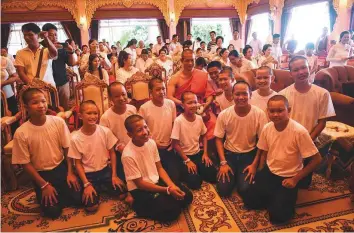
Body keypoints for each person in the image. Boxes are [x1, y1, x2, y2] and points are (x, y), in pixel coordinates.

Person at [243, 95, 322, 224]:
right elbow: (263, 150)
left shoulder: (299, 131)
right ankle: (275, 196)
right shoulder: (267, 128)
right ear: (267, 111)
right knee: (249, 201)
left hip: (289, 176)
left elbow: (317, 159)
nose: (275, 115)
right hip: (270, 171)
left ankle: (281, 199)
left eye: (280, 110)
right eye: (272, 111)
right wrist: (261, 171)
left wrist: (295, 179)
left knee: (279, 217)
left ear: (288, 110)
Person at [12, 88, 81, 219]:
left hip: (61, 168)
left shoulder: (58, 122)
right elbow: (25, 163)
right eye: (35, 102)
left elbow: (67, 149)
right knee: (52, 212)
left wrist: (70, 172)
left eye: (43, 101)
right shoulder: (21, 132)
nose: (41, 105)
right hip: (41, 174)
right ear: (26, 106)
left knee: (82, 200)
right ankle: (51, 194)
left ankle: (61, 193)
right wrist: (43, 185)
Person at [121, 114, 193, 222]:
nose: (145, 132)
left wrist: (172, 186)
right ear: (130, 135)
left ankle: (162, 199)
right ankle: (135, 203)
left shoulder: (151, 143)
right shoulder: (127, 155)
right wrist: (168, 190)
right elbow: (140, 184)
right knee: (172, 212)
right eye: (139, 130)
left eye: (145, 127)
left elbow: (159, 168)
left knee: (187, 197)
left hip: (156, 181)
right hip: (140, 189)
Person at [279, 56, 335, 187]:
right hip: (288, 141)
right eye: (296, 70)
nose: (301, 72)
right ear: (291, 74)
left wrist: (307, 141)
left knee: (303, 184)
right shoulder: (284, 94)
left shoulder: (322, 93)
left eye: (304, 67)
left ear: (309, 68)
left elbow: (322, 122)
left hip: (310, 141)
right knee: (284, 180)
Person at [69, 100, 126, 212]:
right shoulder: (74, 138)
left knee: (123, 193)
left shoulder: (105, 131)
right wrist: (86, 184)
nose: (93, 116)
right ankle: (96, 188)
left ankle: (102, 187)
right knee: (91, 207)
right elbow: (78, 163)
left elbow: (112, 153)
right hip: (88, 175)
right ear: (80, 116)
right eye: (89, 113)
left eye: (95, 113)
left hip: (105, 171)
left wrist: (114, 175)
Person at [214, 81, 267, 197]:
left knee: (245, 189)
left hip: (249, 155)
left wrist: (254, 164)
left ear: (250, 95)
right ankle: (233, 175)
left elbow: (262, 142)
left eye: (244, 94)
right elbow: (218, 139)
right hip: (229, 156)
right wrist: (223, 162)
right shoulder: (224, 114)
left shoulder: (259, 114)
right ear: (232, 95)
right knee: (223, 190)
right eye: (237, 94)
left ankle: (238, 177)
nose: (241, 97)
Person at [167, 49, 217, 147]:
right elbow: (169, 96)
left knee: (213, 123)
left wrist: (206, 105)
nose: (190, 63)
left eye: (192, 60)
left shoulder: (202, 74)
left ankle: (209, 151)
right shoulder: (175, 78)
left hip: (202, 107)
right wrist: (183, 104)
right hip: (182, 108)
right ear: (181, 61)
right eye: (187, 60)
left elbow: (210, 94)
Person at [171, 91, 217, 190]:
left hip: (197, 154)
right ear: (183, 105)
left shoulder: (199, 119)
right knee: (195, 183)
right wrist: (187, 160)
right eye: (189, 103)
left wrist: (205, 153)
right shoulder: (179, 121)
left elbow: (204, 135)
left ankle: (199, 169)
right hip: (184, 157)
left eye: (195, 102)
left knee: (213, 176)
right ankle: (189, 171)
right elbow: (175, 144)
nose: (193, 105)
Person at [139, 78, 180, 181]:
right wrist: (153, 142)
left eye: (163, 88)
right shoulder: (144, 108)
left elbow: (174, 124)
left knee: (175, 177)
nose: (161, 92)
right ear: (150, 92)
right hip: (152, 147)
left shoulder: (170, 104)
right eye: (157, 89)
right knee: (155, 179)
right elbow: (141, 130)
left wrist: (173, 140)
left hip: (169, 146)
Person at [42, 23, 76, 110]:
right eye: (51, 35)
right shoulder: (41, 48)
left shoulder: (61, 47)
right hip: (46, 84)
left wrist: (71, 52)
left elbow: (71, 63)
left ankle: (64, 123)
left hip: (62, 82)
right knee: (50, 108)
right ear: (44, 35)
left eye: (56, 34)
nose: (54, 37)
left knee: (65, 107)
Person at [15, 23, 57, 87]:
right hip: (31, 89)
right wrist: (33, 86)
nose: (26, 37)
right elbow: (21, 73)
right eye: (25, 35)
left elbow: (54, 53)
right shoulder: (20, 53)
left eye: (30, 35)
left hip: (49, 88)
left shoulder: (46, 50)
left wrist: (46, 37)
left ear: (38, 35)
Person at [100, 82, 137, 155]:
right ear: (110, 98)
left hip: (135, 147)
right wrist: (118, 145)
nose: (121, 98)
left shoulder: (132, 109)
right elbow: (105, 138)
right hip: (118, 151)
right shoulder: (106, 117)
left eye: (123, 94)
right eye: (116, 96)